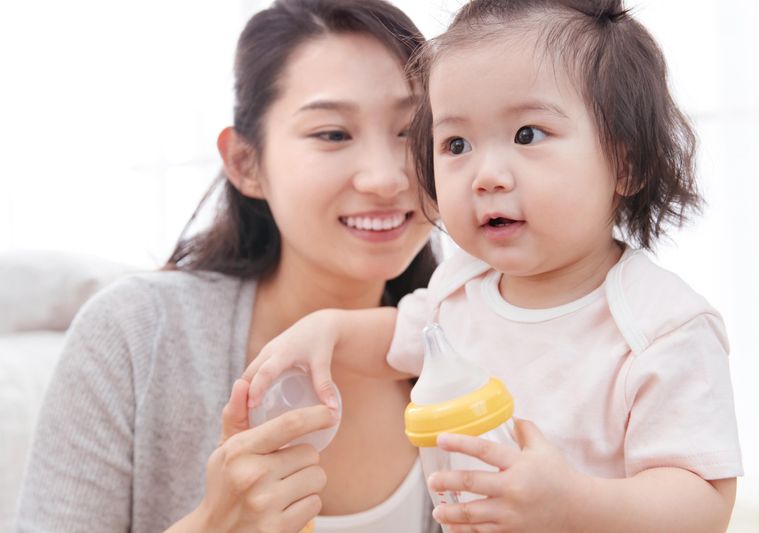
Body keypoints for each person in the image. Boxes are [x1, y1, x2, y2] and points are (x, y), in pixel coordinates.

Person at [243, 0, 744, 531]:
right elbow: (408, 337)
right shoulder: (463, 285)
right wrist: (331, 331)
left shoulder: (661, 327)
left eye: (527, 134)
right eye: (456, 144)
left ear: (626, 160)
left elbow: (704, 502)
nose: (486, 176)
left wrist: (575, 503)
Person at [14, 1, 440, 532]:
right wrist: (213, 523)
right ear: (245, 163)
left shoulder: (469, 339)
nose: (386, 178)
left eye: (412, 130)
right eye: (333, 134)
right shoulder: (135, 335)